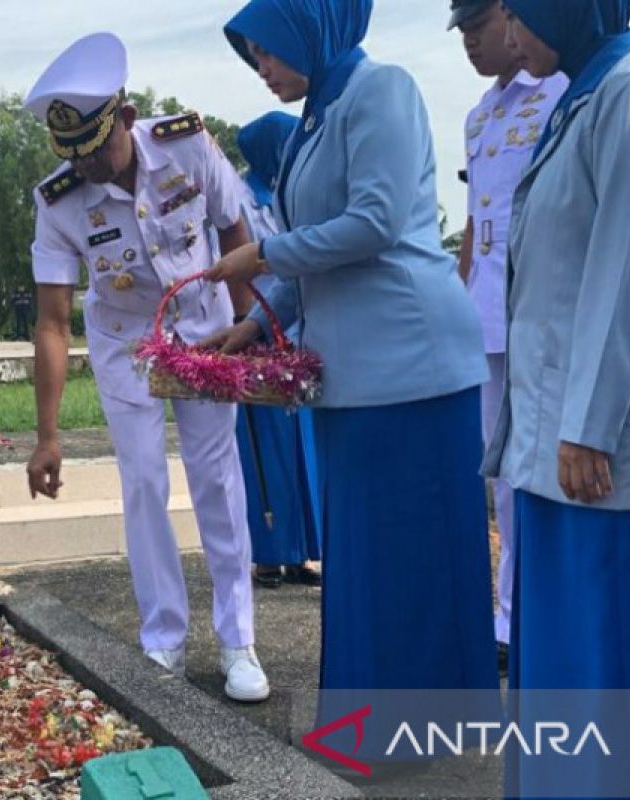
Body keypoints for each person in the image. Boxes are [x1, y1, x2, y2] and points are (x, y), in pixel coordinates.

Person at [208, 0, 499, 732]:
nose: (262, 69)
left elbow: (374, 221)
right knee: (367, 559)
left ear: (308, 31)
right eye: (253, 57)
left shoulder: (382, 90)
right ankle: (380, 723)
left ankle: (415, 726)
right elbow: (317, 253)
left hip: (412, 364)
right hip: (358, 373)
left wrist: (263, 254)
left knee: (410, 555)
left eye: (267, 51)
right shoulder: (315, 119)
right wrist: (252, 323)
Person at [489, 0, 630, 793]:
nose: (509, 31)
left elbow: (628, 274)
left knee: (619, 678)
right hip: (563, 450)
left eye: (520, 11)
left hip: (612, 460)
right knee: (571, 680)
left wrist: (590, 427)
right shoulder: (581, 98)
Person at [23, 32, 270, 702]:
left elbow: (235, 232)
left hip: (204, 330)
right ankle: (163, 639)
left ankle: (238, 641)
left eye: (99, 148)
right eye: (75, 155)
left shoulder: (188, 142)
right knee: (142, 483)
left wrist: (248, 332)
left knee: (217, 478)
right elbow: (51, 321)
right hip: (125, 341)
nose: (92, 168)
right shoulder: (59, 200)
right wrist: (47, 436)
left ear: (126, 119)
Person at [449, 0, 567, 674]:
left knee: (545, 466)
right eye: (461, 32)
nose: (469, 43)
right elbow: (474, 221)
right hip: (488, 313)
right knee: (502, 475)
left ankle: (531, 610)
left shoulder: (558, 90)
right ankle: (509, 612)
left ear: (509, 17)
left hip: (541, 307)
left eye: (476, 27)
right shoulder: (478, 116)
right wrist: (459, 301)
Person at [232, 111, 321, 590]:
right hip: (257, 332)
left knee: (301, 444)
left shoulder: (291, 193)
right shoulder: (242, 201)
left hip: (298, 329)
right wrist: (251, 331)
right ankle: (268, 553)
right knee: (265, 451)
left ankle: (301, 552)